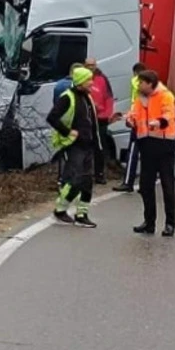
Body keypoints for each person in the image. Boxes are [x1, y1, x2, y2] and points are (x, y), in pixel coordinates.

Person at [47, 66, 100, 228]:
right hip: (74, 146)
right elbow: (52, 117)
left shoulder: (87, 97)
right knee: (74, 180)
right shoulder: (68, 97)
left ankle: (82, 214)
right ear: (80, 82)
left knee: (87, 181)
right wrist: (68, 132)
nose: (92, 83)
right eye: (88, 80)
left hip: (88, 145)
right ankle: (60, 210)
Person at [127, 69, 175, 237]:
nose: (139, 85)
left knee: (167, 185)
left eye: (141, 83)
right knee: (145, 186)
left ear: (150, 84)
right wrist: (129, 120)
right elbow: (134, 113)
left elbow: (169, 114)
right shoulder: (140, 97)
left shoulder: (165, 95)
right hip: (146, 145)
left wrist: (159, 122)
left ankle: (170, 223)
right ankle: (149, 222)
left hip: (164, 145)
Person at [114, 62, 146, 193]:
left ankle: (128, 182)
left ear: (135, 73)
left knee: (133, 152)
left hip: (138, 122)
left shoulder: (135, 82)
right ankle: (145, 184)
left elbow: (135, 104)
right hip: (149, 124)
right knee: (147, 155)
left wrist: (129, 118)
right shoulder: (156, 87)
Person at [53, 62, 84, 186]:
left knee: (63, 152)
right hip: (73, 124)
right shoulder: (73, 88)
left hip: (61, 124)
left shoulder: (58, 85)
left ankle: (62, 179)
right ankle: (69, 181)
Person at [85, 57, 115, 185]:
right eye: (89, 65)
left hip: (100, 119)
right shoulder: (82, 79)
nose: (91, 67)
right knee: (84, 147)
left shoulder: (102, 79)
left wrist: (106, 114)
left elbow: (109, 97)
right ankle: (85, 174)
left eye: (93, 65)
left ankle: (99, 174)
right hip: (85, 118)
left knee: (99, 147)